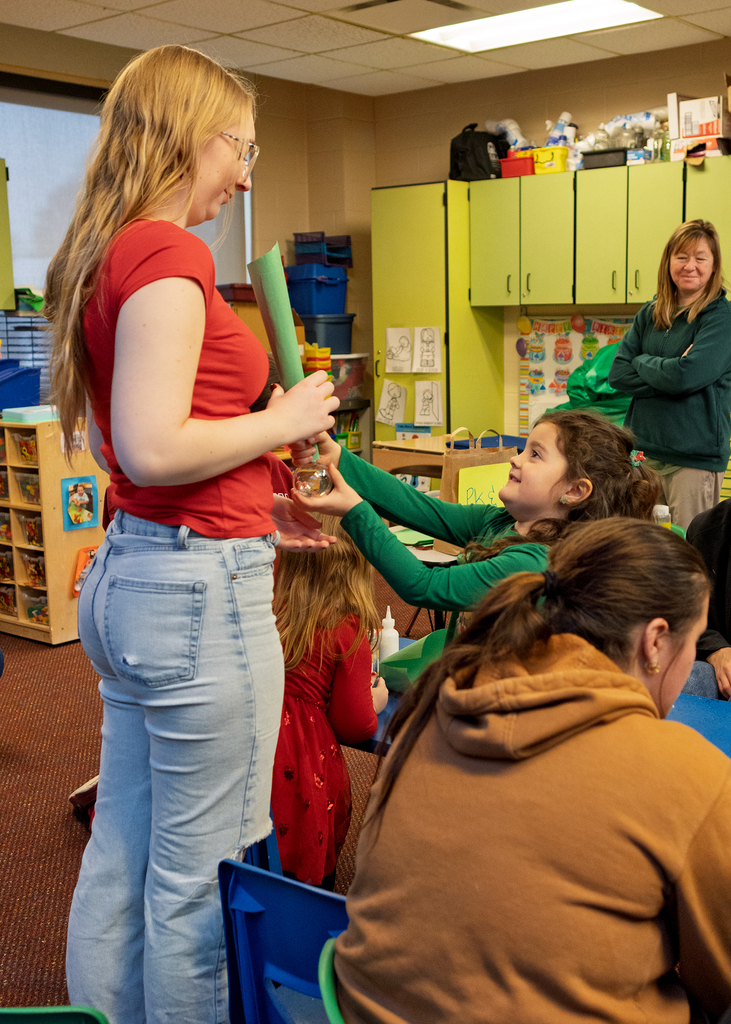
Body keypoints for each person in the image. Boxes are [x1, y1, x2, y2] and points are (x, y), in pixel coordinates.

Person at [43, 45, 338, 1024]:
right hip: (196, 599)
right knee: (195, 885)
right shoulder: (168, 253)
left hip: (140, 575)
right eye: (238, 148)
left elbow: (156, 453)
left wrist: (265, 495)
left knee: (124, 855)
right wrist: (287, 419)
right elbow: (156, 442)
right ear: (187, 136)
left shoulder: (111, 248)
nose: (246, 174)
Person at [333, 518, 731, 1024]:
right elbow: (721, 980)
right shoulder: (689, 773)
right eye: (694, 641)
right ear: (655, 642)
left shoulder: (440, 704)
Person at [293, 410, 660, 627]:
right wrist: (337, 455)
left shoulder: (535, 560)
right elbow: (417, 507)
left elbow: (422, 585)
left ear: (575, 491)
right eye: (523, 449)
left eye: (535, 455)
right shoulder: (502, 522)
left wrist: (355, 512)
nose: (516, 459)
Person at [271, 514, 388, 888]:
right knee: (303, 868)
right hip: (301, 757)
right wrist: (377, 699)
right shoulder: (345, 628)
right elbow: (355, 726)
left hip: (254, 733)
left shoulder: (269, 608)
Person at [608, 219, 731, 530]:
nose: (690, 266)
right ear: (669, 262)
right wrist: (671, 368)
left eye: (700, 257)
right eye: (681, 256)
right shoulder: (650, 312)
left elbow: (685, 378)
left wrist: (643, 362)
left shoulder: (721, 318)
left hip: (692, 460)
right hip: (643, 454)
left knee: (686, 554)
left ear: (713, 265)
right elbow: (618, 374)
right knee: (639, 550)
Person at [682, 498, 731, 700]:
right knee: (689, 681)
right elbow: (685, 614)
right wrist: (717, 649)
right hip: (719, 669)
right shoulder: (707, 528)